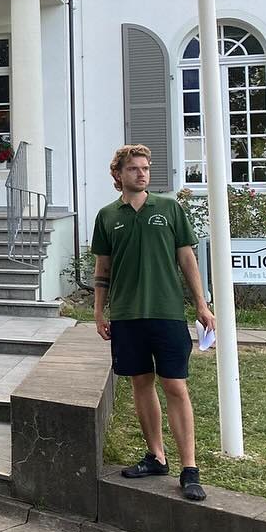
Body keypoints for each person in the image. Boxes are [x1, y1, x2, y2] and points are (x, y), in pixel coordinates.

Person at [92, 144, 214, 503]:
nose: (142, 174)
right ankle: (156, 457)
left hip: (167, 312)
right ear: (118, 174)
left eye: (145, 168)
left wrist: (202, 304)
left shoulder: (169, 209)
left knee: (175, 385)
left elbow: (187, 259)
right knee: (140, 383)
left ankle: (189, 469)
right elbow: (103, 269)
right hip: (126, 315)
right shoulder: (107, 216)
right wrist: (99, 312)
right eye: (134, 168)